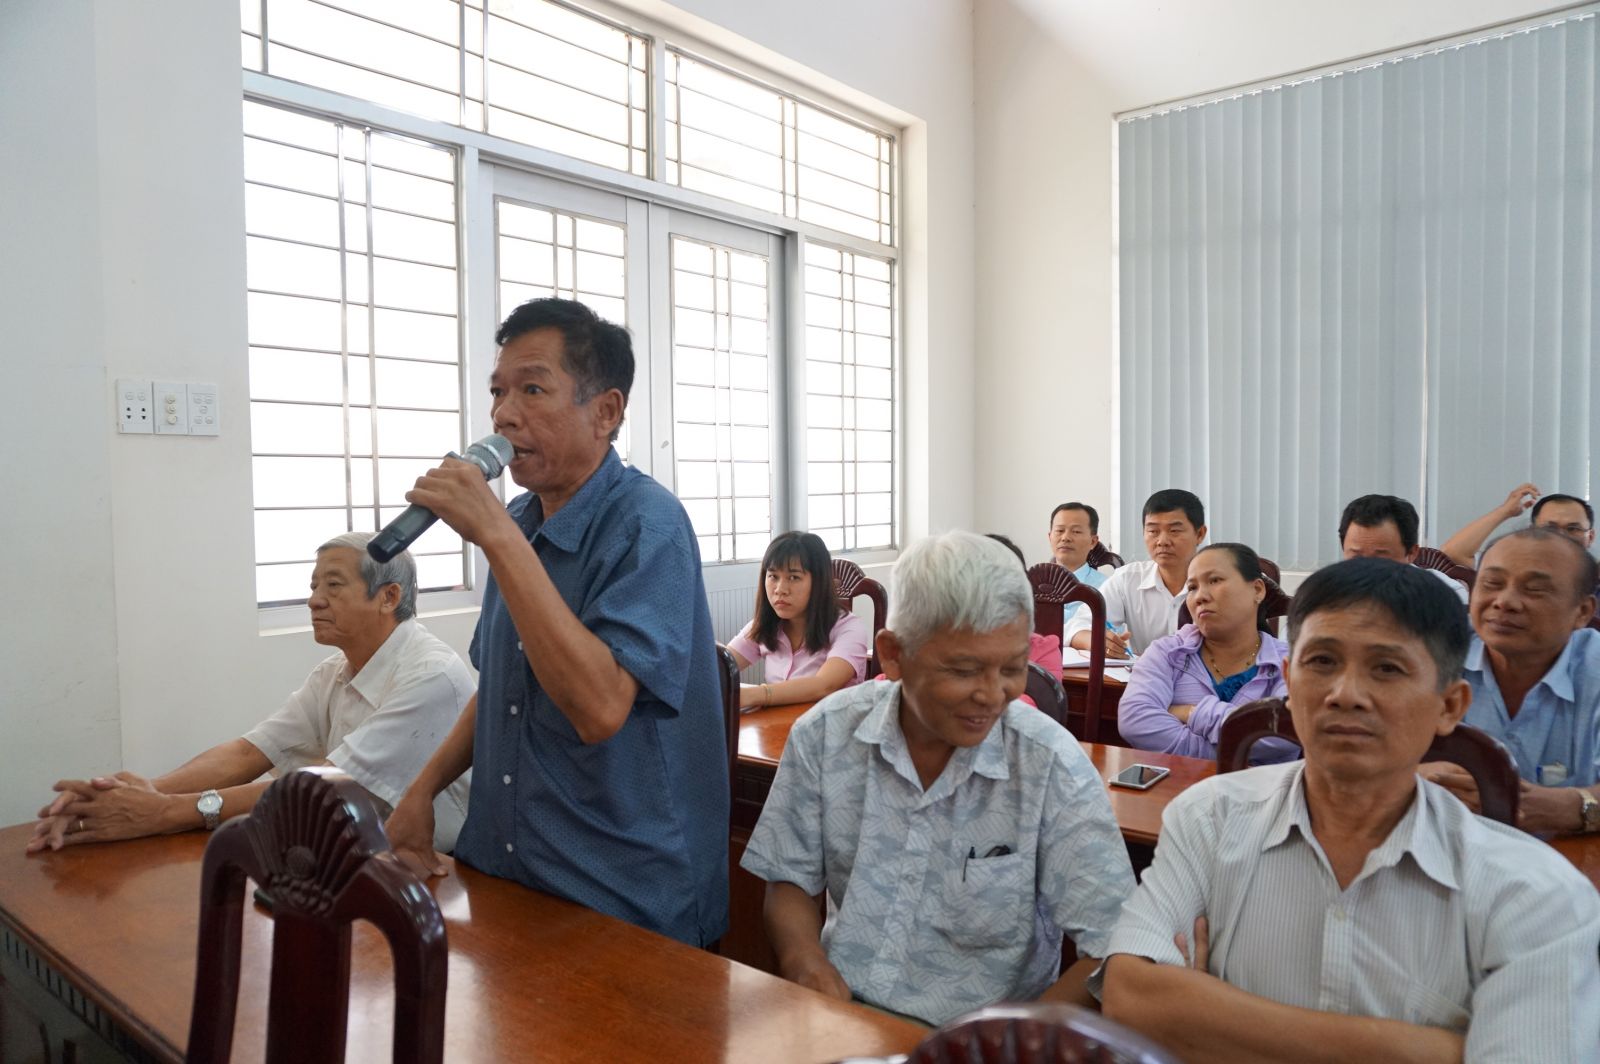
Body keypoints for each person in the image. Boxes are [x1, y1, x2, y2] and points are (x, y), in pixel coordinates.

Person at [1097, 559, 1600, 1063]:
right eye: (1322, 662)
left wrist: (1206, 1018)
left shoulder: (1536, 896)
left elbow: (1161, 1014)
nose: (1346, 695)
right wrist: (1440, 1051)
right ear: (1289, 684)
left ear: (1450, 705)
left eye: (1387, 668)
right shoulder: (1207, 818)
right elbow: (1131, 999)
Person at [382, 297, 729, 948]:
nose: (504, 414)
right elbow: (505, 689)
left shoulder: (649, 526)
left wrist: (494, 537)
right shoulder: (516, 524)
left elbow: (598, 709)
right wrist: (423, 789)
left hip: (620, 892)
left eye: (533, 388)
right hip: (510, 868)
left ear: (605, 412)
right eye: (498, 392)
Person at [741, 531, 1135, 1025]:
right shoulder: (825, 735)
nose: (992, 696)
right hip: (843, 1021)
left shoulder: (1049, 765)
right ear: (893, 655)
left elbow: (1116, 948)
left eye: (1013, 669)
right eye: (964, 670)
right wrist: (805, 966)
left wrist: (1011, 1041)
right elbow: (789, 878)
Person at [28, 534, 474, 854]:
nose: (315, 600)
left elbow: (330, 786)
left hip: (440, 872)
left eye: (333, 586)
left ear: (388, 596)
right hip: (350, 853)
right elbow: (249, 752)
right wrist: (143, 794)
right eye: (313, 586)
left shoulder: (429, 676)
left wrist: (164, 814)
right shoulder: (335, 671)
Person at [1422, 527, 1600, 835]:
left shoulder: (1594, 669)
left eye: (1534, 590)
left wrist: (1577, 806)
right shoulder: (1432, 651)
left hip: (1566, 868)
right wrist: (1408, 779)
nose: (1505, 602)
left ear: (1582, 612)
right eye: (1492, 583)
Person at [1116, 544, 1289, 760]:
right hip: (1175, 788)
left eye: (1215, 580)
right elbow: (1134, 721)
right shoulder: (1168, 652)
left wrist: (1190, 712)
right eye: (1192, 588)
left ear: (1257, 590)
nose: (1200, 597)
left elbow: (1283, 736)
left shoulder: (1287, 662)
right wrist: (1227, 759)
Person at [727, 532, 871, 710]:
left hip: (832, 731)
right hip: (775, 727)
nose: (780, 589)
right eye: (773, 576)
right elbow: (721, 667)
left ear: (819, 582)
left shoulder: (850, 628)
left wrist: (756, 695)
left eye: (794, 577)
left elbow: (823, 685)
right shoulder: (765, 625)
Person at [1066, 489, 1207, 657]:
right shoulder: (1128, 579)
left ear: (1199, 534)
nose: (1162, 541)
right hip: (1146, 680)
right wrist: (1097, 641)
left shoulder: (1220, 582)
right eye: (1153, 531)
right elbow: (1076, 626)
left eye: (1174, 531)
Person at [1337, 493, 1467, 604]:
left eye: (1380, 559)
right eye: (1357, 557)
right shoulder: (1327, 594)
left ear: (1411, 553)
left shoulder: (1445, 596)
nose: (1366, 569)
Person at [1440, 485, 1595, 565]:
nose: (1561, 536)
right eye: (1550, 528)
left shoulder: (1594, 578)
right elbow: (1453, 552)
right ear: (1532, 531)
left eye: (1573, 529)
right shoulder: (1512, 568)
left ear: (1590, 537)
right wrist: (1504, 511)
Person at [1047, 502, 1111, 630]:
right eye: (1059, 531)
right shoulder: (1032, 584)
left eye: (1076, 531)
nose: (1065, 538)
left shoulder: (1107, 588)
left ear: (1093, 541)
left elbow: (1111, 637)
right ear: (1050, 537)